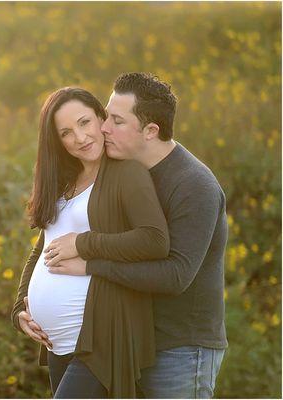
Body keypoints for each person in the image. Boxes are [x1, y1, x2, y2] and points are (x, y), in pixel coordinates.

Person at [44, 72, 228, 398]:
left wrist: (89, 263)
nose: (103, 128)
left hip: (181, 348)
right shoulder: (118, 171)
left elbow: (174, 276)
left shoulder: (193, 185)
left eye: (117, 121)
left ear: (151, 131)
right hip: (129, 340)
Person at [10, 86, 170, 398]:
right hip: (58, 343)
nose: (80, 138)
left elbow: (154, 240)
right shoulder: (65, 181)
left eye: (85, 123)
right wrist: (19, 309)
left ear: (102, 118)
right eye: (66, 132)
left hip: (101, 337)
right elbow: (44, 248)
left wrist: (84, 243)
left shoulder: (127, 174)